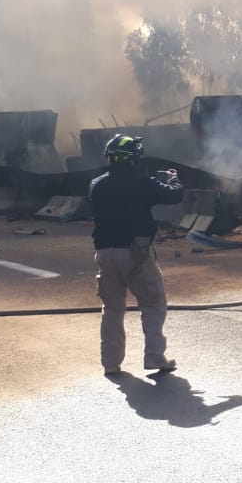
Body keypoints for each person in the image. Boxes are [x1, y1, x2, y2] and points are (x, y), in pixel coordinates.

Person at [89, 134, 185, 376]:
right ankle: (154, 356)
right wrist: (173, 179)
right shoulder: (142, 183)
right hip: (135, 252)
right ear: (133, 159)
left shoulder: (97, 184)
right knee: (152, 303)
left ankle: (110, 363)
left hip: (104, 253)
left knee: (112, 309)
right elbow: (174, 195)